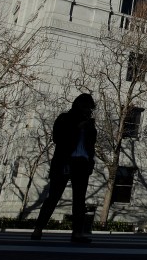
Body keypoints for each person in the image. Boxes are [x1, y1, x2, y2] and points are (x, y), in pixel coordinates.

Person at [31, 93, 97, 243]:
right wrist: (78, 127)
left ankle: (77, 233)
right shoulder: (65, 118)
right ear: (79, 106)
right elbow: (57, 138)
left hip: (82, 162)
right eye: (86, 108)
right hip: (65, 161)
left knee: (79, 200)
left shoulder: (89, 123)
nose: (88, 111)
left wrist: (90, 161)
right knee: (53, 196)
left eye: (90, 109)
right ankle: (38, 229)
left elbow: (91, 144)